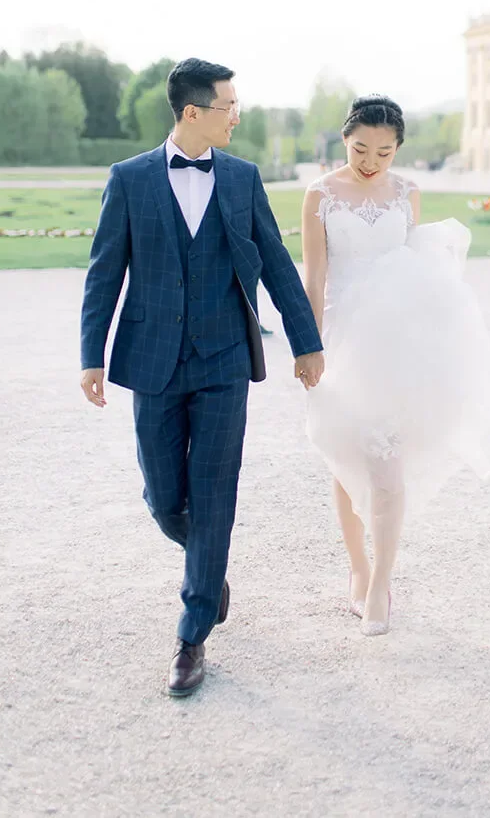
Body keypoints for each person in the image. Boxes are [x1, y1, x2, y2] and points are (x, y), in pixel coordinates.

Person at [80, 58, 324, 696]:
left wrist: (306, 342)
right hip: (153, 362)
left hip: (223, 363)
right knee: (165, 500)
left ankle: (191, 636)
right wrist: (91, 355)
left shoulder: (242, 180)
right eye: (228, 106)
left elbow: (274, 260)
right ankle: (209, 567)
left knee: (213, 497)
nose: (236, 115)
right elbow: (105, 273)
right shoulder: (129, 180)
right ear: (193, 112)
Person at [302, 96, 490, 637]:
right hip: (342, 338)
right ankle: (358, 568)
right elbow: (315, 278)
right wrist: (310, 345)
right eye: (360, 149)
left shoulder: (407, 193)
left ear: (398, 149)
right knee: (343, 459)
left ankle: (380, 586)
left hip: (398, 343)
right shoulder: (319, 195)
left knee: (387, 463)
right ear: (344, 140)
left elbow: (419, 265)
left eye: (385, 152)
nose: (372, 160)